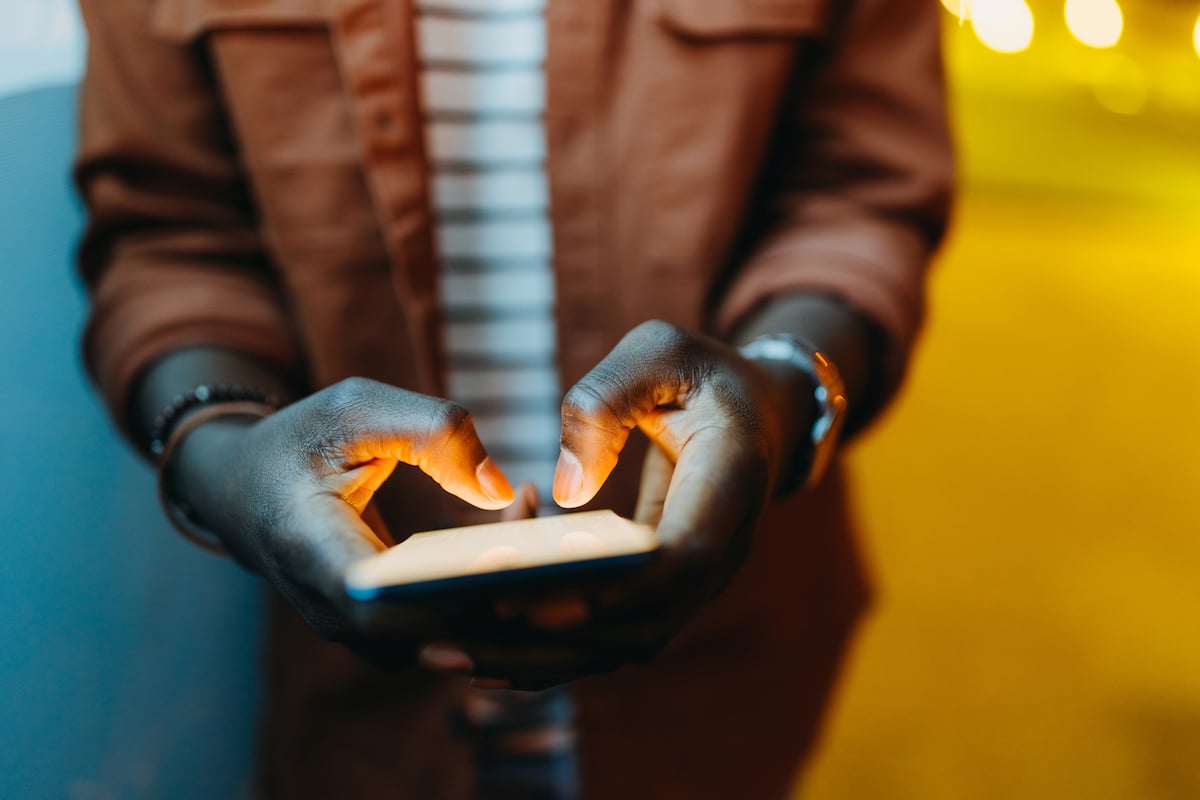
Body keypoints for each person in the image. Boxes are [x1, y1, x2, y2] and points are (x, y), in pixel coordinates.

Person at [74, 0, 951, 797]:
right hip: (353, 721)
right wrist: (223, 449)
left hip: (721, 691)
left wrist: (777, 385)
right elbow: (167, 234)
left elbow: (857, 192)